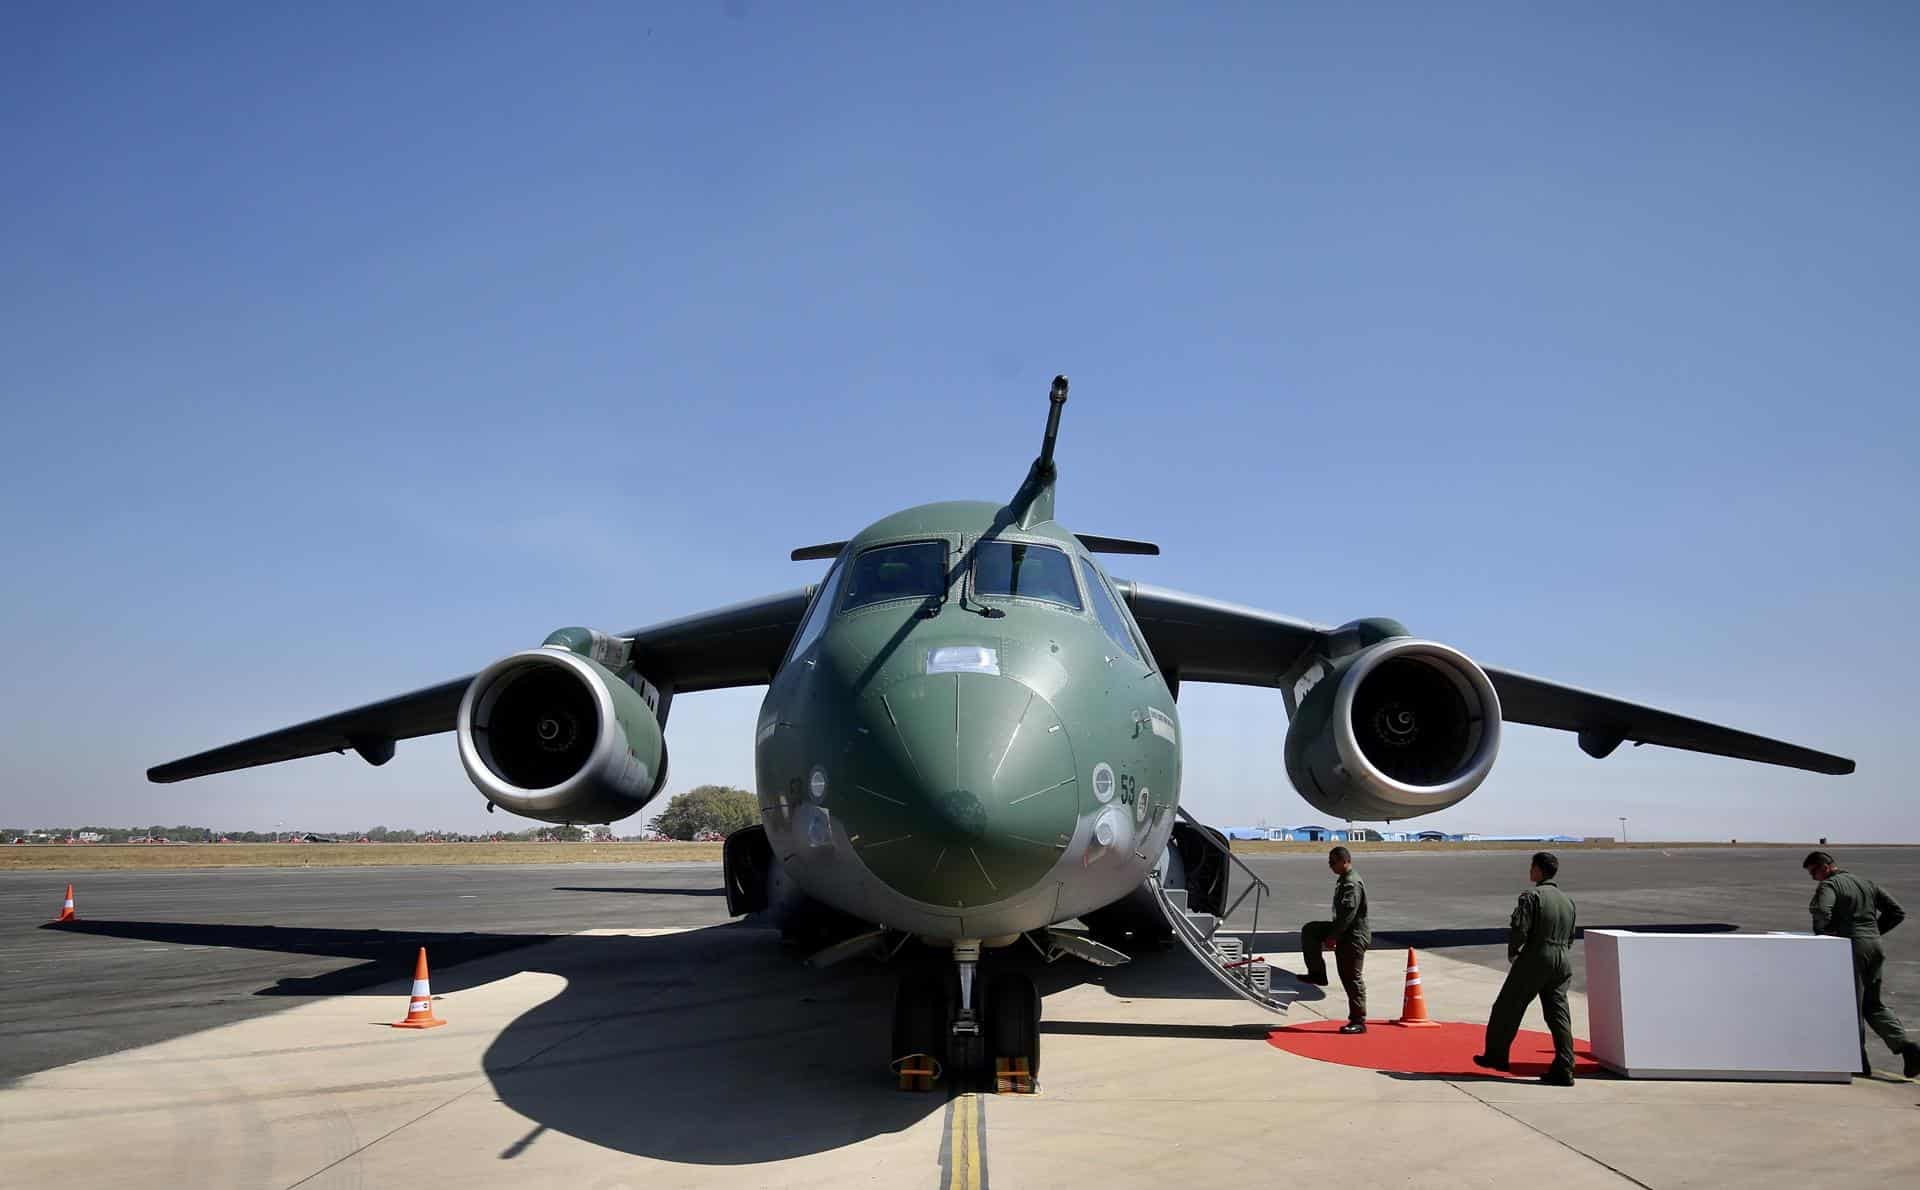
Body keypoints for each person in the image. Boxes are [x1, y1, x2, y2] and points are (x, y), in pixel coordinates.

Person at [1803, 850, 1920, 1079]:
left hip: (1851, 948)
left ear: (1825, 867)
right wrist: (1873, 932)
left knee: (1850, 1005)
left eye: (1814, 872)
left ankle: (1857, 1062)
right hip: (1874, 947)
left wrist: (1823, 933)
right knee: (1873, 1004)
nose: (1814, 878)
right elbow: (1896, 912)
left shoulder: (1830, 885)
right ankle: (1907, 1048)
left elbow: (1820, 910)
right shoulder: (1865, 883)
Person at [1474, 851, 1577, 1085]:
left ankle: (1496, 1056)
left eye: (1532, 867)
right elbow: (1570, 936)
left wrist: (1513, 950)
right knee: (1558, 1015)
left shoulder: (1532, 896)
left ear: (1539, 870)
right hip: (1562, 959)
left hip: (1536, 957)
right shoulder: (1567, 901)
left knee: (1506, 1007)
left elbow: (1520, 928)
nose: (1530, 871)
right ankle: (1564, 1066)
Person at [1300, 845, 1370, 1033]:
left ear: (1344, 861)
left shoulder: (1351, 883)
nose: (1330, 866)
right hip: (1344, 930)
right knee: (1310, 930)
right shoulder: (1344, 879)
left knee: (1351, 977)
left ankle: (1358, 1020)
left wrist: (1332, 937)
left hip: (1353, 935)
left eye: (1333, 862)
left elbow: (1348, 913)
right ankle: (1317, 973)